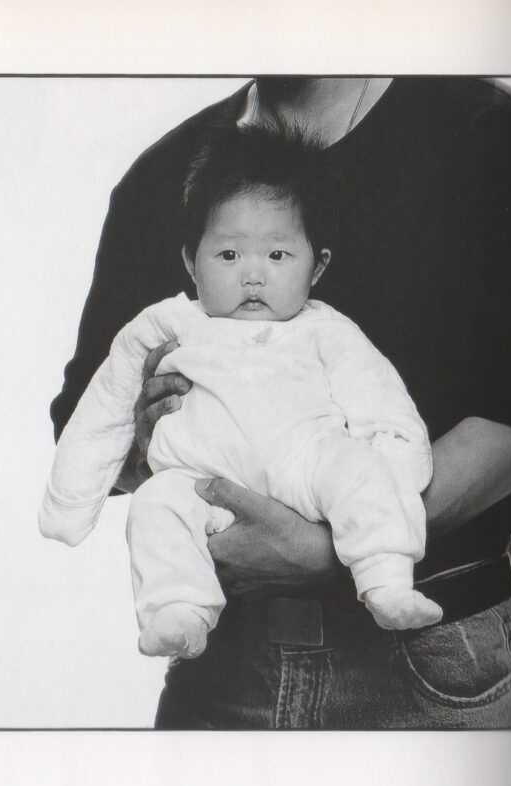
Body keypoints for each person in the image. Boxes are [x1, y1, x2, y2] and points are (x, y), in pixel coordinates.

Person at [50, 77, 511, 729]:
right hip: (223, 662)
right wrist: (145, 445)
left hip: (429, 657)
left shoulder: (480, 128)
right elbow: (90, 415)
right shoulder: (163, 176)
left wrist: (332, 547)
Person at [40, 124, 444, 658]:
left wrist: (397, 472)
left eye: (277, 256)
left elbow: (383, 406)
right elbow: (105, 405)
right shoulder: (169, 323)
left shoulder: (326, 330)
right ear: (191, 261)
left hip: (305, 463)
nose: (253, 276)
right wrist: (68, 503)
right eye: (229, 256)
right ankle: (178, 612)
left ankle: (386, 581)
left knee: (358, 469)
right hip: (201, 479)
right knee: (157, 506)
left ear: (317, 266)